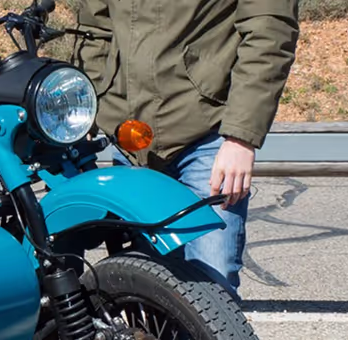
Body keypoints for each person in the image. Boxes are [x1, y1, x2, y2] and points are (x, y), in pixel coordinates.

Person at [72, 0, 299, 298]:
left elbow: (269, 32)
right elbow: (94, 30)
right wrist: (82, 113)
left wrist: (240, 138)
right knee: (142, 291)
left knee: (212, 292)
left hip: (209, 136)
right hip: (129, 140)